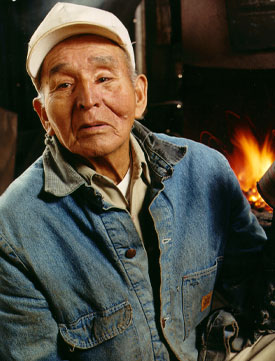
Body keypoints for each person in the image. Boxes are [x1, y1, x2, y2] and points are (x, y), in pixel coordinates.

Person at [0, 2, 274, 360]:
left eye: (103, 78)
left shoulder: (206, 169)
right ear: (43, 116)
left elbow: (254, 290)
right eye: (65, 84)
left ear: (139, 94)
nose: (88, 100)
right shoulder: (13, 228)